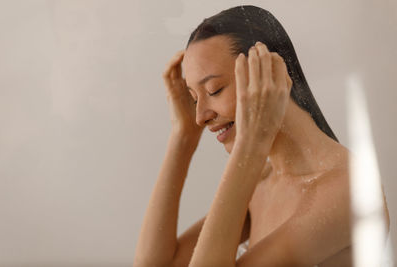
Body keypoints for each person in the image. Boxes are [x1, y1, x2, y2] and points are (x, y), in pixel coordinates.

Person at [134, 5, 390, 267]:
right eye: (193, 98)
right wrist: (183, 137)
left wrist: (250, 147)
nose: (200, 117)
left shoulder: (346, 191)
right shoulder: (263, 182)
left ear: (270, 74)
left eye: (214, 90)